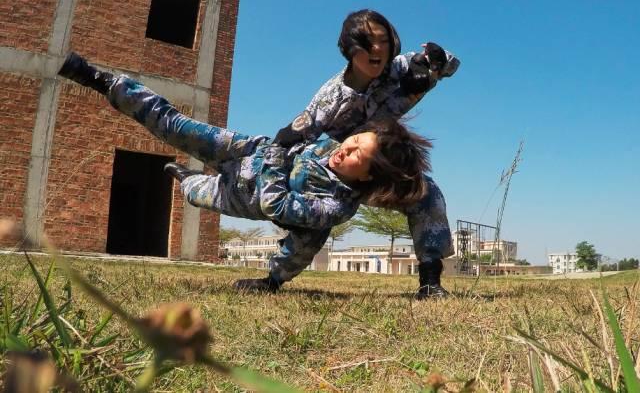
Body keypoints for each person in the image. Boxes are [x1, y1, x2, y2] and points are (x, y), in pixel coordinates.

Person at [57, 53, 432, 291]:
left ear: (366, 177)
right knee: (174, 125)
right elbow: (343, 101)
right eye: (353, 141)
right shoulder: (335, 145)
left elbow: (275, 205)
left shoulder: (334, 207)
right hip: (244, 150)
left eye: (356, 155)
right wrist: (416, 81)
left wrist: (278, 154)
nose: (344, 149)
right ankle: (103, 81)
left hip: (240, 195)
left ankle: (187, 180)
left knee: (194, 192)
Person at [271, 9, 461, 299]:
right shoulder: (331, 97)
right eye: (366, 42)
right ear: (349, 49)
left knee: (426, 193)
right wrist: (286, 191)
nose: (376, 49)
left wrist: (437, 60)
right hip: (338, 171)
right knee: (318, 220)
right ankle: (272, 279)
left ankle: (430, 283)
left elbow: (451, 66)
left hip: (374, 168)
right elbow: (291, 139)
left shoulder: (400, 67)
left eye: (383, 41)